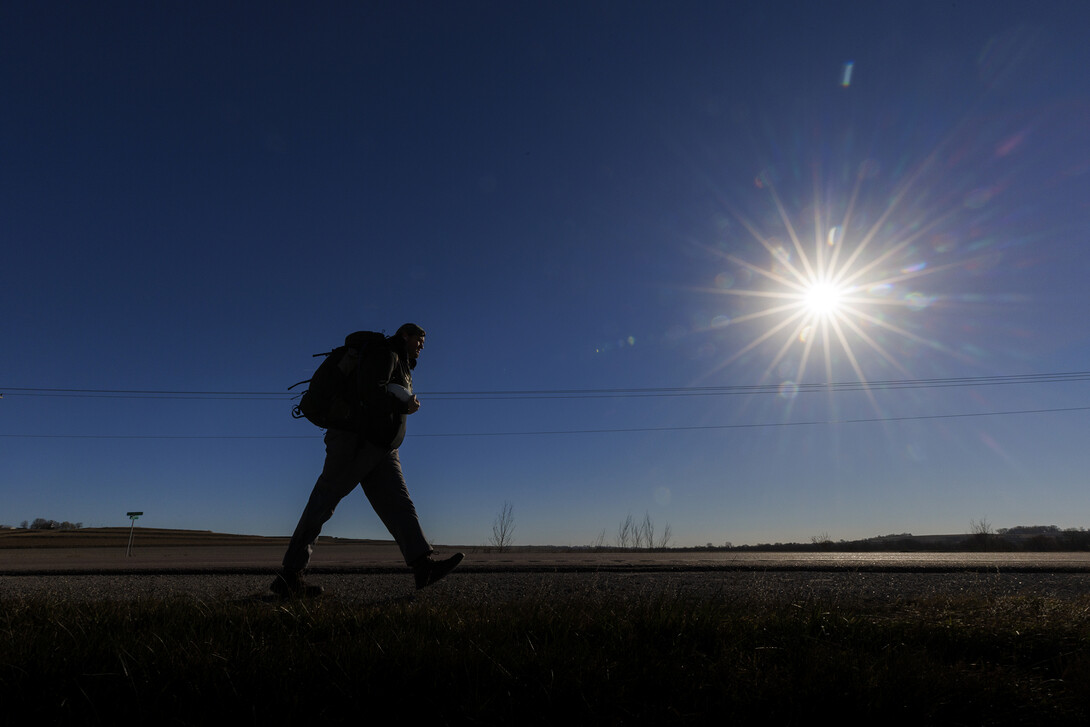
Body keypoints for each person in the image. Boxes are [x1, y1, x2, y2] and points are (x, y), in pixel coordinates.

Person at [271, 323, 463, 597]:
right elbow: (371, 392)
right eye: (419, 339)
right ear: (405, 336)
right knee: (323, 502)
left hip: (380, 448)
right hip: (356, 442)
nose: (422, 345)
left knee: (399, 504)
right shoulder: (386, 354)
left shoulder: (400, 362)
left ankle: (423, 566)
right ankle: (290, 576)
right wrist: (403, 406)